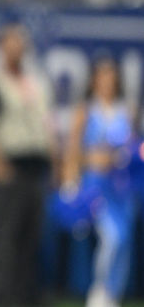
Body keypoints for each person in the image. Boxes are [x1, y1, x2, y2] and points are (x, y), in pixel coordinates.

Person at [0, 22, 56, 306]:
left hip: (36, 167)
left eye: (20, 42)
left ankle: (25, 298)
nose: (16, 48)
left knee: (29, 240)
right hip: (11, 166)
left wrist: (55, 161)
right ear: (1, 47)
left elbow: (47, 125)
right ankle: (0, 299)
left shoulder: (36, 82)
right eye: (11, 42)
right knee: (3, 241)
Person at [62, 57, 136, 307]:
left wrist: (122, 156)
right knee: (111, 237)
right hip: (96, 186)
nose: (107, 82)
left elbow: (134, 148)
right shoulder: (86, 111)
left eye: (111, 77)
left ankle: (115, 292)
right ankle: (100, 288)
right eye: (102, 77)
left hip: (122, 186)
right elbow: (73, 150)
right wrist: (73, 179)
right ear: (94, 81)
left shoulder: (127, 110)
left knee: (124, 238)